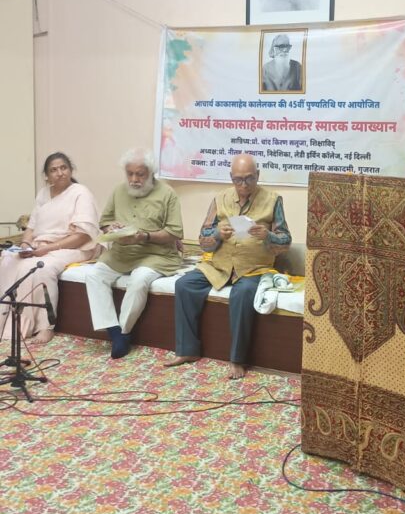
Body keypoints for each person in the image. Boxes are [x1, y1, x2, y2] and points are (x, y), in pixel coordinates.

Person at [165, 153, 291, 379]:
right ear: (231, 177)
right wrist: (216, 234)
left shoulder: (273, 200)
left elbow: (286, 242)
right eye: (238, 179)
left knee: (241, 294)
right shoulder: (220, 199)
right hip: (219, 266)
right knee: (184, 285)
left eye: (249, 178)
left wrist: (268, 235)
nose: (244, 184)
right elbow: (203, 239)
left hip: (254, 268)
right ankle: (187, 349)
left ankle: (237, 359)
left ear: (258, 175)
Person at [85, 148, 183, 359]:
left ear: (151, 173)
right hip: (121, 253)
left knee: (139, 280)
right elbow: (104, 222)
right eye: (130, 174)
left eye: (140, 174)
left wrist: (144, 236)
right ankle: (114, 331)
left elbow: (175, 232)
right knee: (93, 275)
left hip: (156, 254)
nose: (134, 179)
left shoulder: (167, 193)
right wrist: (112, 228)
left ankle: (123, 332)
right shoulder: (118, 191)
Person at [0, 152, 100, 344]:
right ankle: (8, 321)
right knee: (7, 260)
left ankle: (46, 326)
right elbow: (31, 228)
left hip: (75, 246)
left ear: (70, 170)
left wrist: (47, 249)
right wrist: (25, 244)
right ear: (46, 175)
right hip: (41, 246)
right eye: (54, 170)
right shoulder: (43, 194)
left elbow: (83, 236)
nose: (60, 173)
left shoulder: (80, 193)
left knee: (41, 267)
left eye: (63, 168)